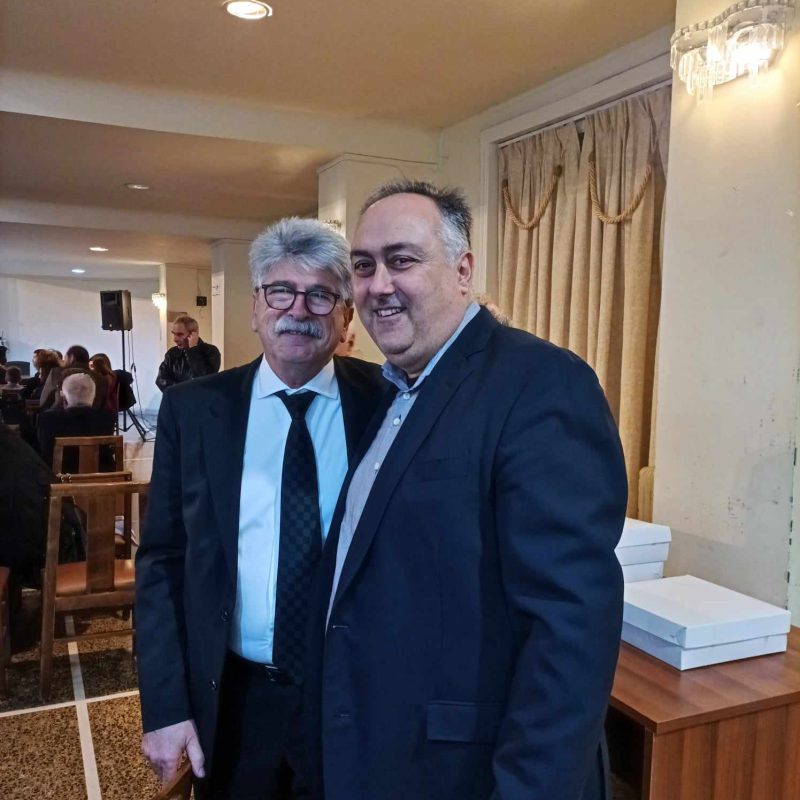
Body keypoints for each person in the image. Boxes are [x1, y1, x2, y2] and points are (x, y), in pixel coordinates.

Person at [305, 181, 628, 800]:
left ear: (462, 270)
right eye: (364, 266)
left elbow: (569, 632)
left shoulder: (540, 383)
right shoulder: (394, 390)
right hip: (382, 750)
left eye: (402, 260)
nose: (378, 285)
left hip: (469, 772)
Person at [135, 217, 387, 800]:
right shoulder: (193, 410)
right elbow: (162, 562)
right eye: (281, 291)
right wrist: (166, 704)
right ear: (255, 307)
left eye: (321, 295)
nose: (299, 309)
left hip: (354, 695)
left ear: (346, 316)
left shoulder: (388, 402)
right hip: (235, 699)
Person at [36, 372, 116, 472]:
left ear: (64, 399)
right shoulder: (107, 418)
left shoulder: (47, 419)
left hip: (60, 477)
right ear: (93, 397)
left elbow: (42, 452)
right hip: (101, 475)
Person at [156, 315, 221, 392]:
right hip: (178, 399)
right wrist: (183, 392)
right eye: (174, 334)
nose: (175, 339)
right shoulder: (172, 353)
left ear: (193, 335)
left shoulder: (210, 351)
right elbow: (161, 380)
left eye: (180, 334)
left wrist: (193, 350)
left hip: (201, 399)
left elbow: (205, 380)